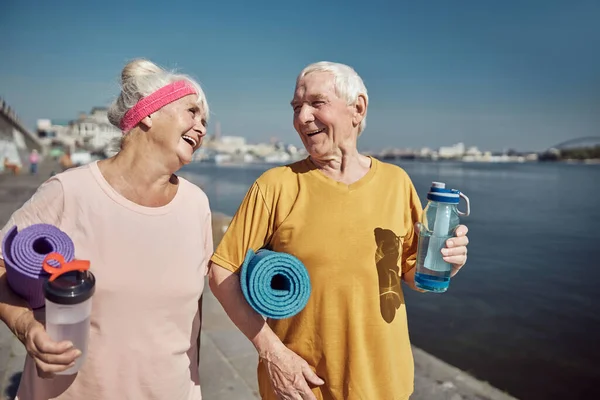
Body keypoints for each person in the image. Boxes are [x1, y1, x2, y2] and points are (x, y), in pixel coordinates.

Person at [208, 61, 471, 400]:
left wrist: (448, 262)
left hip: (384, 384)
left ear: (357, 109)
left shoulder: (396, 183)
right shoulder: (276, 186)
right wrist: (272, 353)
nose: (302, 117)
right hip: (302, 387)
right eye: (296, 107)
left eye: (317, 103)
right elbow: (221, 271)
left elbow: (411, 275)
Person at [0, 58, 212, 399]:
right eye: (192, 112)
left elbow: (194, 316)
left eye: (204, 120)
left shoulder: (196, 204)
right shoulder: (70, 191)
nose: (201, 128)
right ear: (148, 113)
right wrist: (26, 327)